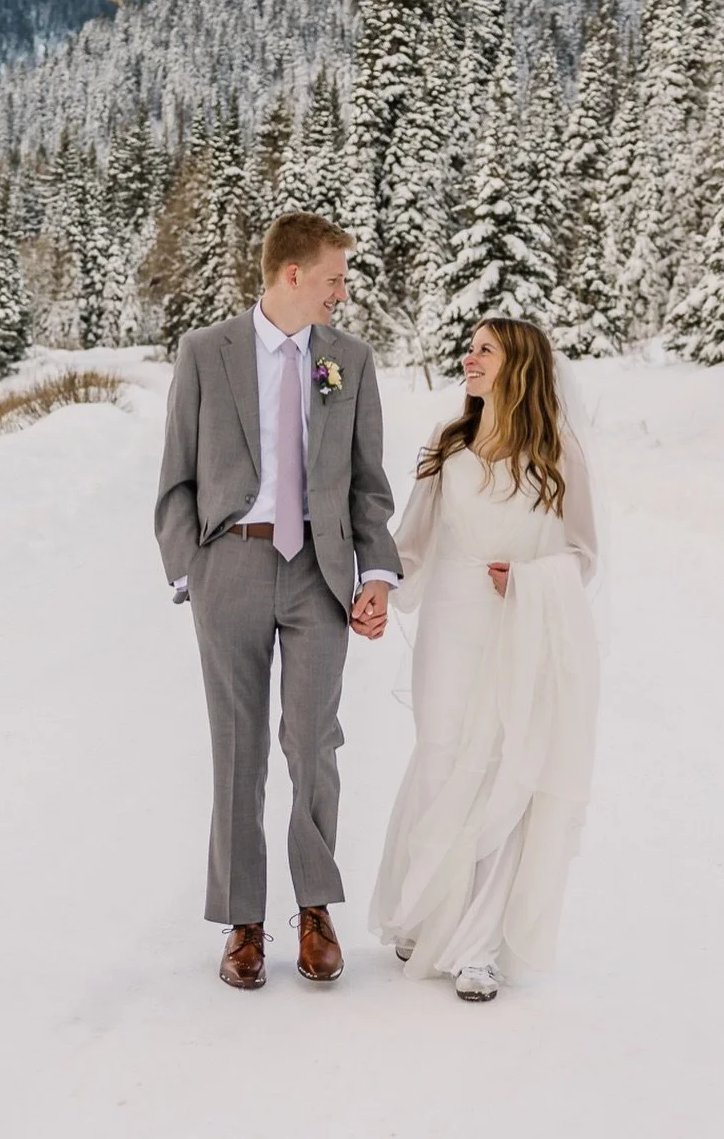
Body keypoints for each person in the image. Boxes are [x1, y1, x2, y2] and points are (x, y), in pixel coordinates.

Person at [154, 211, 402, 990]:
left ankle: (316, 909)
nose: (343, 292)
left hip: (317, 574)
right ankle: (244, 922)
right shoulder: (205, 353)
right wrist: (190, 571)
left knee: (313, 743)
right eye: (334, 278)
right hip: (229, 565)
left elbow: (368, 487)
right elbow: (176, 477)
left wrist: (376, 575)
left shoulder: (350, 362)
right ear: (291, 275)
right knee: (239, 748)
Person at [371, 316, 603, 1002]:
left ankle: (476, 946)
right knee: (444, 760)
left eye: (484, 350)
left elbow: (585, 554)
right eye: (469, 348)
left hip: (522, 630)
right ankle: (426, 909)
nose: (468, 358)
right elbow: (409, 545)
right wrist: (379, 590)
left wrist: (530, 582)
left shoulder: (560, 451)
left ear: (520, 365)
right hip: (450, 625)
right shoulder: (450, 447)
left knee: (507, 769)